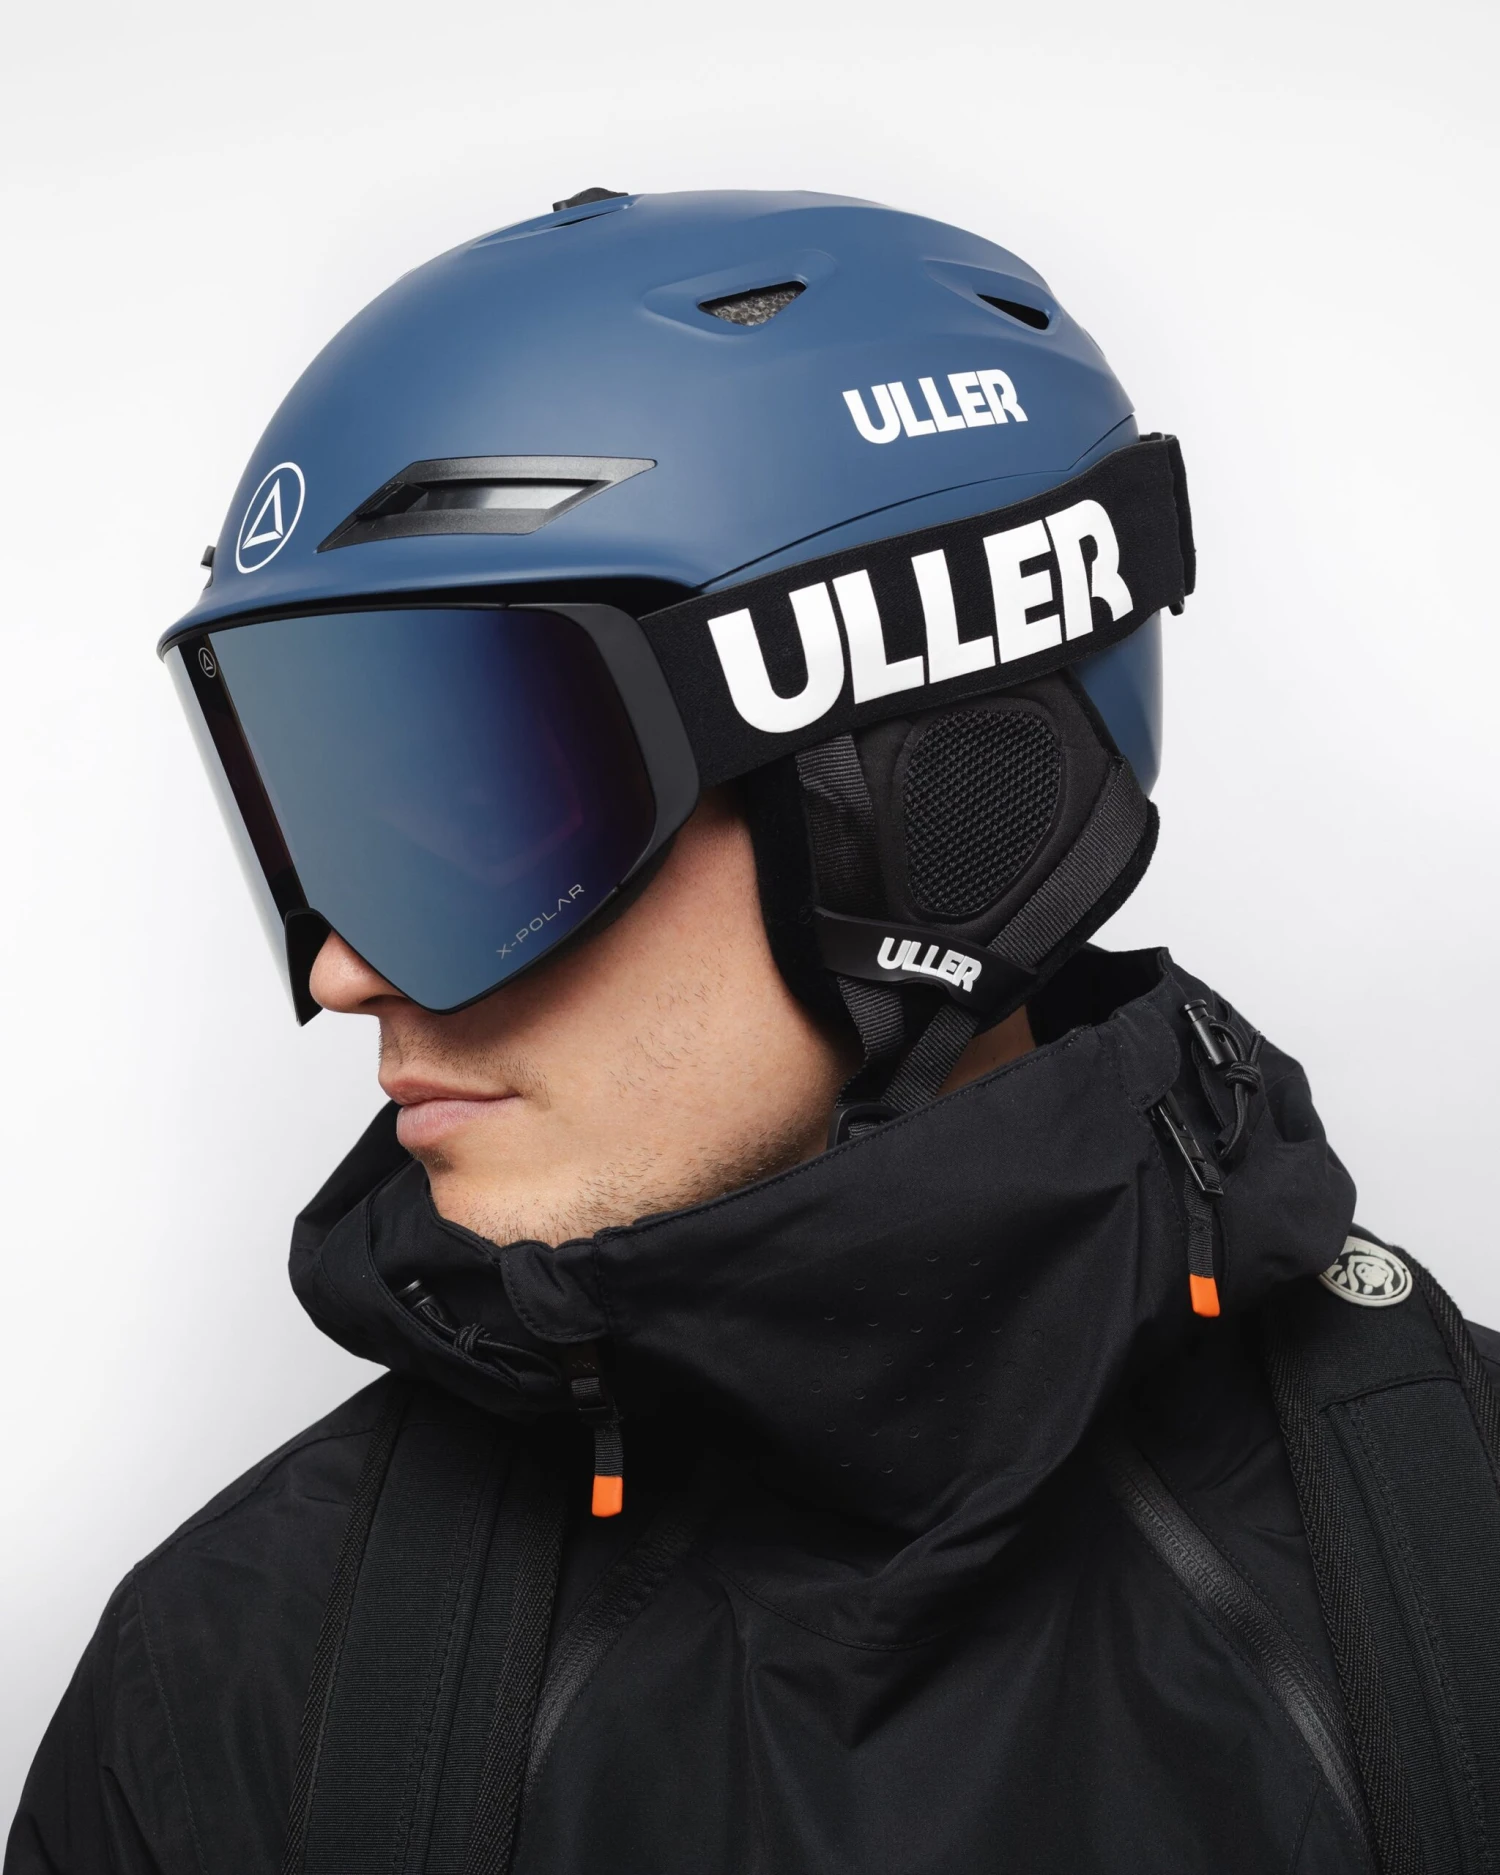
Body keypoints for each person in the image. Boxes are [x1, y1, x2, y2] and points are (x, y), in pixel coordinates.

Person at [9, 189, 1500, 1875]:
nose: (346, 968)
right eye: (323, 822)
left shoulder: (1461, 1580)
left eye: (484, 809)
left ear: (924, 803)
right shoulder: (236, 1694)